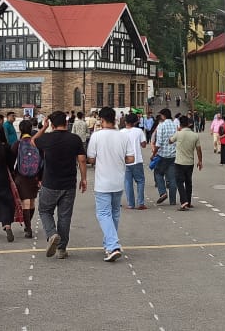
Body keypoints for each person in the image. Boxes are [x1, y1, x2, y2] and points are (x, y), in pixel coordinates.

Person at [33, 111, 87, 260]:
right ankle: (62, 249)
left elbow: (33, 141)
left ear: (52, 123)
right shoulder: (74, 139)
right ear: (66, 122)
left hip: (50, 182)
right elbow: (82, 159)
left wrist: (43, 128)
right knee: (65, 216)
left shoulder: (47, 138)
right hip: (69, 183)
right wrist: (83, 179)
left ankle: (52, 234)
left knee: (44, 210)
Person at [85, 107, 136, 262]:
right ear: (115, 119)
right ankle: (109, 245)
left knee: (103, 213)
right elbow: (130, 159)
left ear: (101, 120)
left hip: (102, 182)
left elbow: (91, 159)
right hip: (118, 181)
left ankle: (113, 245)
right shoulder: (123, 137)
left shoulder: (96, 136)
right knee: (114, 213)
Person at [12, 120, 41, 239]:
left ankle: (28, 228)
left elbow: (11, 160)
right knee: (32, 201)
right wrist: (40, 177)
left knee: (25, 202)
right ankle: (28, 225)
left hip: (21, 176)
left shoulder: (17, 144)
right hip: (34, 175)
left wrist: (13, 175)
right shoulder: (35, 142)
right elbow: (42, 160)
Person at [170, 116, 203, 210]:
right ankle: (188, 202)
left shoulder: (178, 134)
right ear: (189, 124)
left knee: (179, 182)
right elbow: (199, 150)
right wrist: (200, 161)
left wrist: (177, 131)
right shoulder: (195, 135)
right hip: (190, 162)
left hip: (179, 162)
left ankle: (183, 201)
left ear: (180, 124)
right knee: (188, 182)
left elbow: (170, 141)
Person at [151, 109, 179, 206]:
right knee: (172, 178)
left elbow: (158, 143)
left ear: (163, 116)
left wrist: (153, 154)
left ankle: (163, 192)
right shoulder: (175, 125)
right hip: (173, 155)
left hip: (162, 155)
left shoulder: (161, 126)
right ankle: (173, 201)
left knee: (158, 173)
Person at [120, 114, 147, 210]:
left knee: (127, 182)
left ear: (125, 122)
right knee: (140, 181)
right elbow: (143, 144)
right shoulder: (139, 131)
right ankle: (140, 203)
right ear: (136, 122)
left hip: (125, 160)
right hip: (137, 159)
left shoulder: (121, 132)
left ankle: (130, 204)